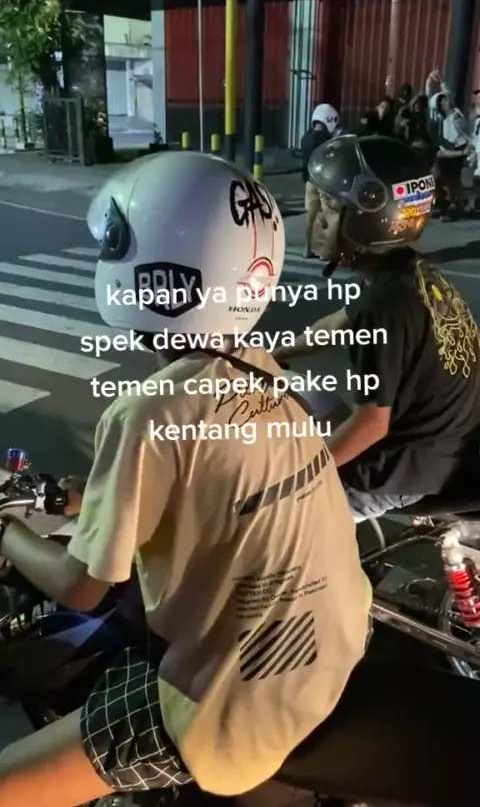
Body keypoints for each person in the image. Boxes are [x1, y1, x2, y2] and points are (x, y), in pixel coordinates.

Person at [0, 152, 372, 806]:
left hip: (233, 701)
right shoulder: (262, 373)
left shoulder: (148, 413)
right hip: (331, 649)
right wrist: (81, 496)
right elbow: (202, 492)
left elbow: (81, 586)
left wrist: (7, 530)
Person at [273, 135, 480, 522]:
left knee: (276, 516)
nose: (318, 219)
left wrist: (294, 479)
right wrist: (273, 354)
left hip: (400, 472)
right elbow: (333, 325)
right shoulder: (415, 276)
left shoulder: (383, 309)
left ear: (367, 218)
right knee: (299, 391)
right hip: (442, 447)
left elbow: (370, 425)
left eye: (329, 207)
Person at [301, 103, 340, 258]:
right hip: (323, 182)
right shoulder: (327, 140)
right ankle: (326, 251)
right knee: (331, 215)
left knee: (310, 216)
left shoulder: (305, 137)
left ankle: (306, 249)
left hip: (309, 181)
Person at [429, 91, 472, 220]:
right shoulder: (442, 120)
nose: (444, 103)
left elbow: (465, 133)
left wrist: (465, 150)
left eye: (445, 100)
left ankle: (453, 206)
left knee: (447, 176)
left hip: (461, 148)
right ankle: (447, 205)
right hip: (449, 150)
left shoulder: (455, 116)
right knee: (436, 175)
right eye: (441, 102)